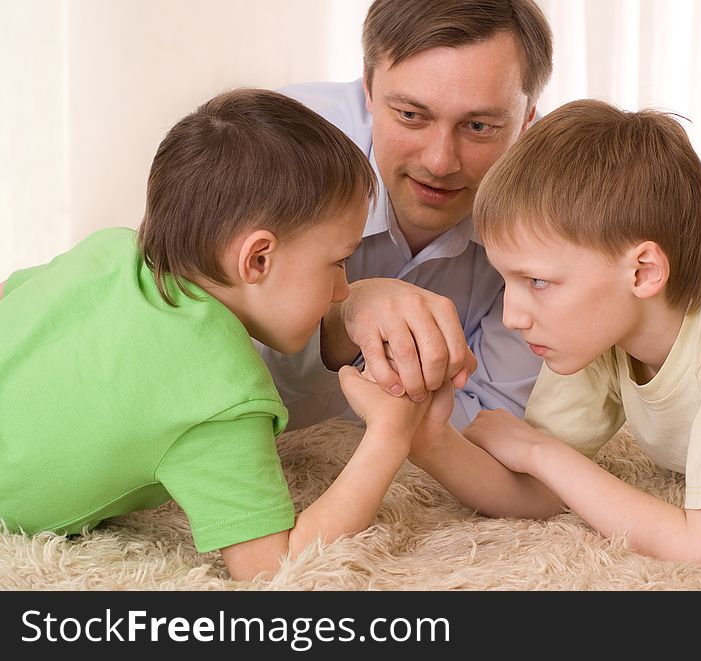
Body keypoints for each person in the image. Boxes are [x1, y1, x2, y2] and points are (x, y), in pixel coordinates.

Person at [407, 98, 701, 563]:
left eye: (537, 281)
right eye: (506, 279)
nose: (512, 315)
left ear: (643, 271)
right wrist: (429, 439)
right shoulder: (598, 329)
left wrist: (539, 450)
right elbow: (540, 494)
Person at [0, 88, 445, 581]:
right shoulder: (220, 396)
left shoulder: (108, 250)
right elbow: (270, 568)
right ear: (257, 259)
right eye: (338, 263)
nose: (342, 291)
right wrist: (389, 435)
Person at [261, 0, 553, 429]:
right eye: (412, 115)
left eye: (478, 127)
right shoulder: (270, 154)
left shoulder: (556, 206)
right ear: (368, 91)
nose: (439, 162)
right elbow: (221, 386)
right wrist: (339, 323)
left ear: (527, 122)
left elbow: (498, 418)